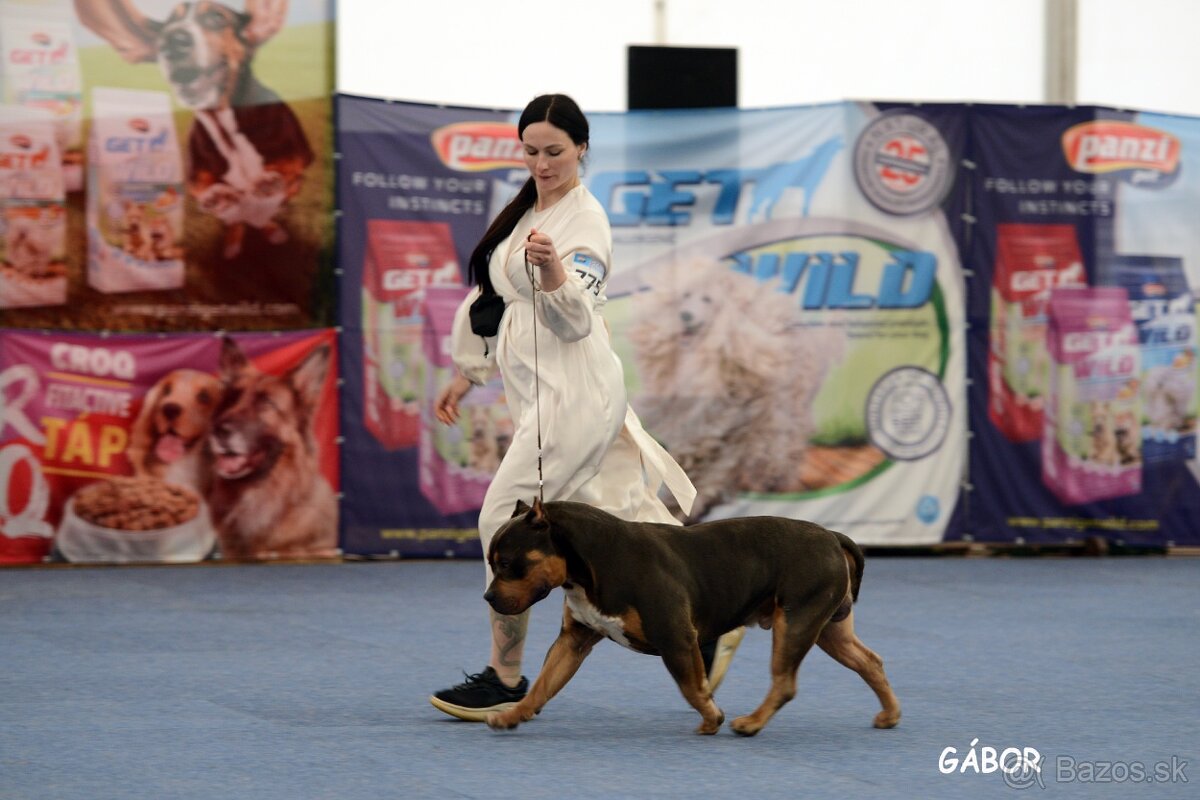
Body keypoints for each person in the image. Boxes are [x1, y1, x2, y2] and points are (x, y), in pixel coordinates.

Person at [429, 94, 744, 721]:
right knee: (627, 510)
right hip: (544, 396)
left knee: (503, 522)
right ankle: (715, 620)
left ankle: (506, 676)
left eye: (554, 152)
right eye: (531, 151)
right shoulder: (523, 214)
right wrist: (468, 372)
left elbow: (574, 321)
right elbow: (487, 296)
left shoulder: (587, 223)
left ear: (581, 150)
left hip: (573, 396)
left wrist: (552, 274)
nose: (542, 163)